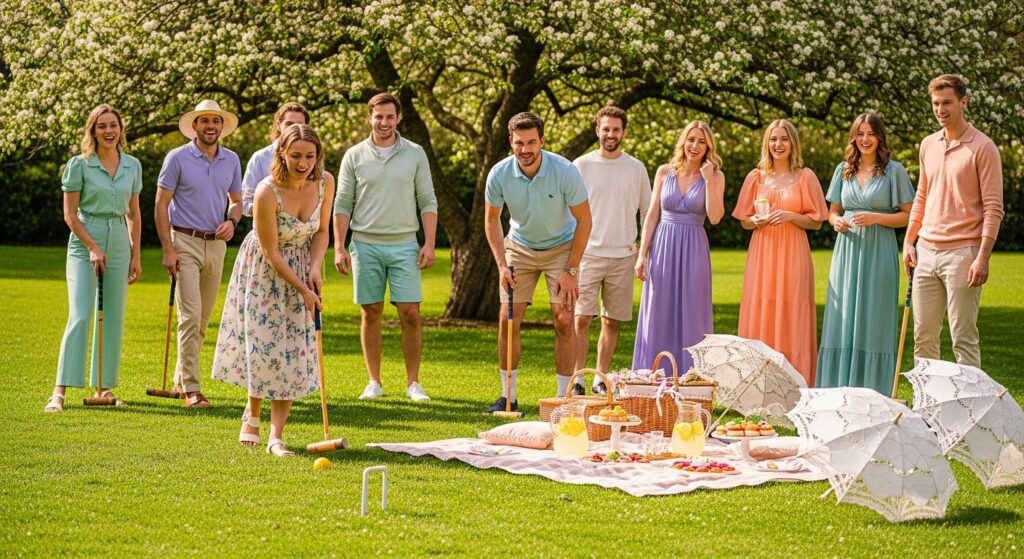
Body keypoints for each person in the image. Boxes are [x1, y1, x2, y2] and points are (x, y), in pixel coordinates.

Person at [212, 124, 335, 457]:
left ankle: (275, 436)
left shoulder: (325, 183)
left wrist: (313, 268)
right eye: (296, 155)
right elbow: (271, 252)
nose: (303, 163)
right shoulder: (267, 191)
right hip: (265, 270)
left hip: (301, 262)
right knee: (264, 346)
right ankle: (252, 412)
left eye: (310, 156)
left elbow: (322, 231)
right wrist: (303, 290)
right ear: (281, 152)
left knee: (293, 350)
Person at [483, 112, 592, 413]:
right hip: (520, 248)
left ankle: (563, 400)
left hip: (562, 248)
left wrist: (571, 270)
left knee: (564, 319)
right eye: (519, 143)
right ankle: (508, 396)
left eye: (532, 142)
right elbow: (492, 221)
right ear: (511, 142)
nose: (525, 149)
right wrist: (502, 265)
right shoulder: (499, 173)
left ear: (542, 141)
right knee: (508, 317)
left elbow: (585, 221)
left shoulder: (565, 171)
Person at [333, 93, 436, 402]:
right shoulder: (354, 155)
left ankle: (413, 383)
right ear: (370, 118)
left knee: (410, 313)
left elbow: (427, 200)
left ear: (399, 118)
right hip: (364, 244)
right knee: (371, 312)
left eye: (390, 116)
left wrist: (429, 243)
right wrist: (338, 247)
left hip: (404, 244)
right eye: (379, 116)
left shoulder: (415, 153)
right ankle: (374, 382)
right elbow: (342, 203)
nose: (384, 122)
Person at [45, 104, 142, 412]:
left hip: (119, 243)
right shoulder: (79, 164)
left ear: (121, 129)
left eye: (113, 125)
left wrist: (135, 254)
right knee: (81, 314)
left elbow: (134, 214)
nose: (109, 131)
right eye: (102, 126)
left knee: (112, 316)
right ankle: (59, 392)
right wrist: (91, 246)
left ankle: (104, 388)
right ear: (93, 130)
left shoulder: (132, 165)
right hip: (85, 240)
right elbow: (70, 215)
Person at [904, 74, 1003, 367]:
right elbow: (921, 195)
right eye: (935, 103)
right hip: (926, 252)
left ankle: (969, 410)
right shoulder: (927, 145)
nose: (940, 109)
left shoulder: (984, 148)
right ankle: (927, 409)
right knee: (923, 337)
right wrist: (910, 241)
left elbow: (993, 208)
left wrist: (982, 257)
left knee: (963, 337)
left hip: (963, 254)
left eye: (947, 102)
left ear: (963, 102)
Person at [817, 113, 915, 393]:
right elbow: (833, 210)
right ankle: (837, 387)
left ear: (880, 137)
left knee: (874, 319)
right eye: (860, 134)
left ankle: (874, 390)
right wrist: (836, 222)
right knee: (843, 315)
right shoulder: (843, 170)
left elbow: (908, 216)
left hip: (879, 252)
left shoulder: (893, 171)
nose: (865, 139)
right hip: (847, 252)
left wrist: (875, 218)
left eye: (871, 133)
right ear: (853, 137)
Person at [155, 99, 243, 409]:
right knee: (190, 316)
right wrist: (168, 249)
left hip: (216, 245)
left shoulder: (231, 160)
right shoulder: (177, 158)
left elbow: (237, 201)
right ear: (195, 126)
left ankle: (180, 379)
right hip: (184, 242)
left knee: (202, 320)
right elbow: (160, 205)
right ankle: (193, 389)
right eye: (204, 121)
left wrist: (232, 221)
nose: (210, 127)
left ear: (222, 127)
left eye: (215, 122)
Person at [732, 119, 827, 386]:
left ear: (793, 143)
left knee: (792, 312)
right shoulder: (755, 177)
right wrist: (755, 222)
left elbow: (817, 221)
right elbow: (744, 220)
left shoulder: (805, 176)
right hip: (762, 252)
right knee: (761, 308)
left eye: (784, 139)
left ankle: (793, 382)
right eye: (773, 139)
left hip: (793, 252)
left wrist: (790, 215)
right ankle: (756, 382)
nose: (778, 144)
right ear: (767, 144)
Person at [633, 121, 725, 375]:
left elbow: (715, 217)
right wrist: (643, 255)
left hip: (694, 247)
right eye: (691, 139)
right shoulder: (665, 172)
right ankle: (651, 375)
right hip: (663, 246)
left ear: (709, 147)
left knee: (693, 312)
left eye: (701, 141)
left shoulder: (715, 176)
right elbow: (652, 214)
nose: (695, 146)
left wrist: (707, 182)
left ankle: (691, 377)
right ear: (683, 142)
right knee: (657, 311)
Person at [571, 106, 651, 395]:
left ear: (624, 132)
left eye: (616, 129)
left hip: (623, 255)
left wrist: (643, 247)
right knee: (581, 317)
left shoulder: (636, 167)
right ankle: (578, 377)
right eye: (605, 129)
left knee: (611, 320)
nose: (610, 134)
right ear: (597, 131)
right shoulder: (581, 166)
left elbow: (648, 210)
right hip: (588, 253)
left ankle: (599, 378)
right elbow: (569, 212)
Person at [241, 102, 310, 218]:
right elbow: (244, 203)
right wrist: (270, 210)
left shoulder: (313, 158)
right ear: (278, 124)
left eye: (299, 125)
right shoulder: (260, 158)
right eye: (289, 124)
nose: (293, 129)